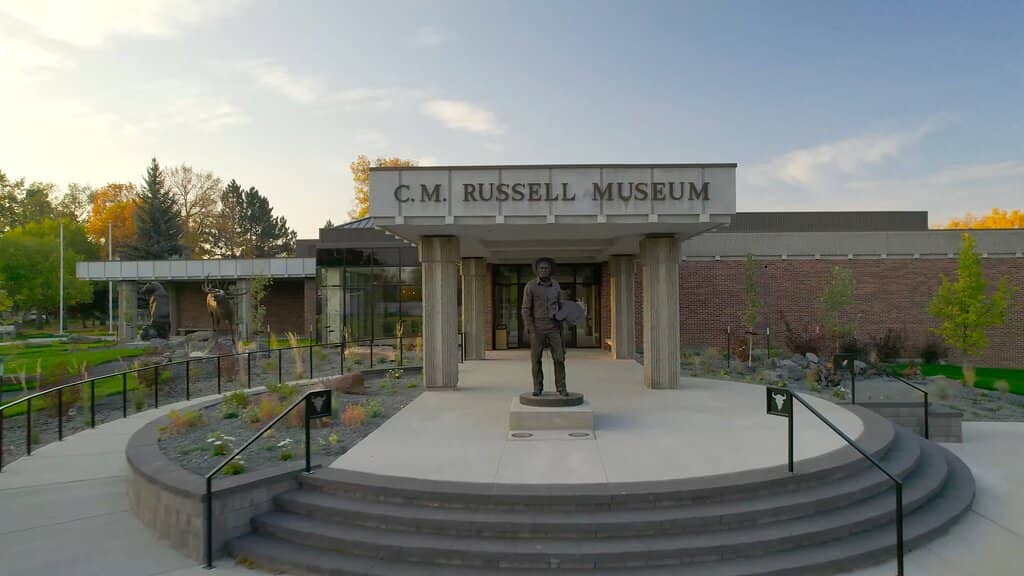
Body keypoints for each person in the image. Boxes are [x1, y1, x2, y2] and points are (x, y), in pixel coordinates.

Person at [521, 257, 568, 396]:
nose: (543, 270)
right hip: (538, 327)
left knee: (559, 358)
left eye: (546, 268)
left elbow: (561, 305)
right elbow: (525, 308)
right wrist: (529, 326)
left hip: (554, 327)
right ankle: (537, 387)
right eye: (541, 268)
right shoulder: (530, 286)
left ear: (550, 270)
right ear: (537, 270)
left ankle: (561, 387)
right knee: (536, 360)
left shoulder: (556, 286)